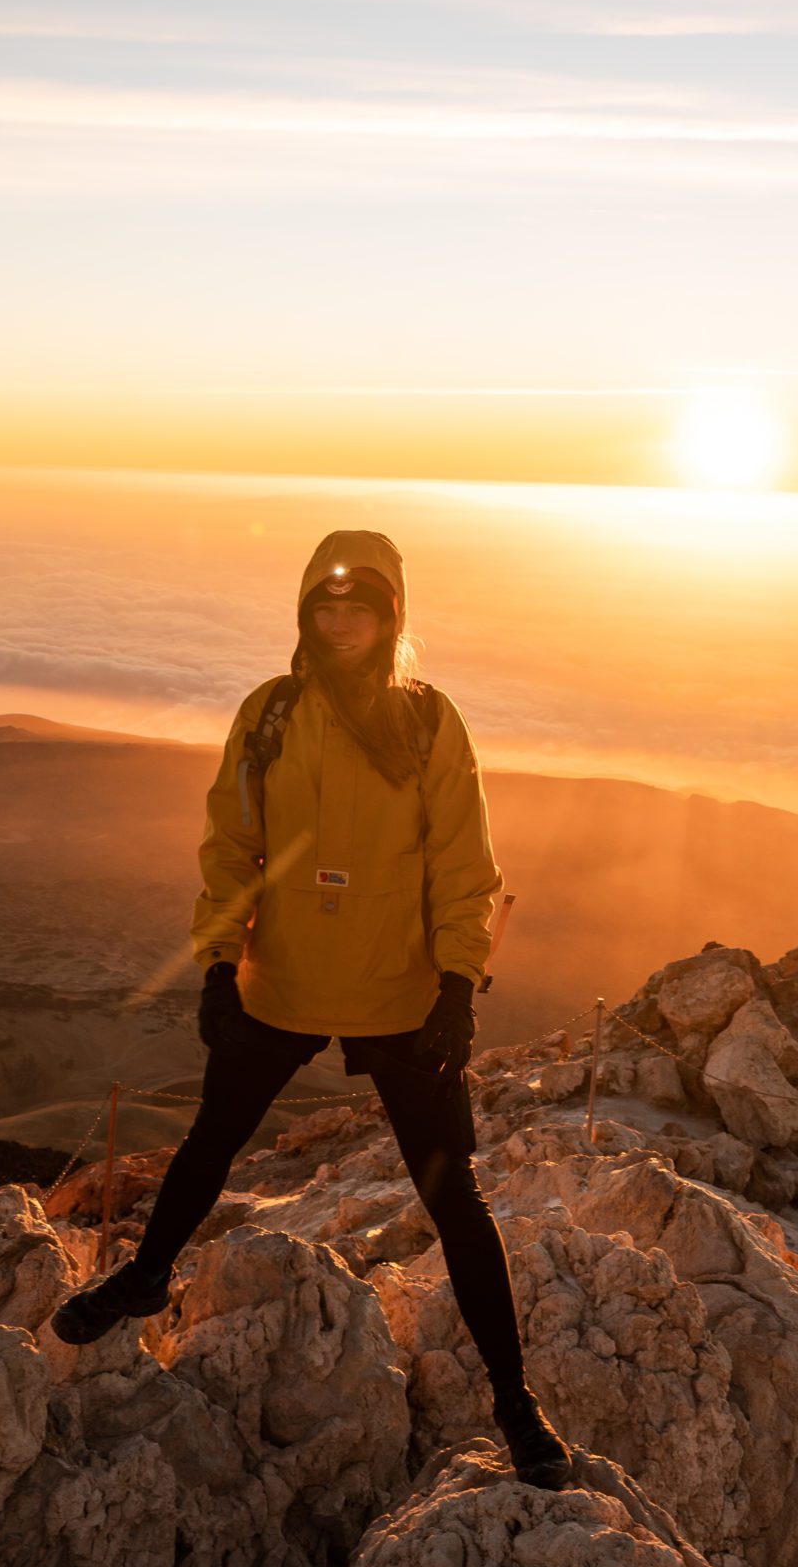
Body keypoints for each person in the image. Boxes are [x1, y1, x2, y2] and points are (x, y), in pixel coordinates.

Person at [51, 528, 571, 1490]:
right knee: (213, 1138)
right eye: (325, 608)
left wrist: (459, 987)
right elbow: (231, 846)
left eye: (359, 609)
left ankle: (512, 1396)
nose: (341, 624)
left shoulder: (426, 721)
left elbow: (465, 863)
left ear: (390, 618)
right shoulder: (271, 714)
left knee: (453, 1196)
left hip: (398, 987)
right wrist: (216, 965)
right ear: (304, 613)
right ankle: (149, 1273)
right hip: (282, 973)